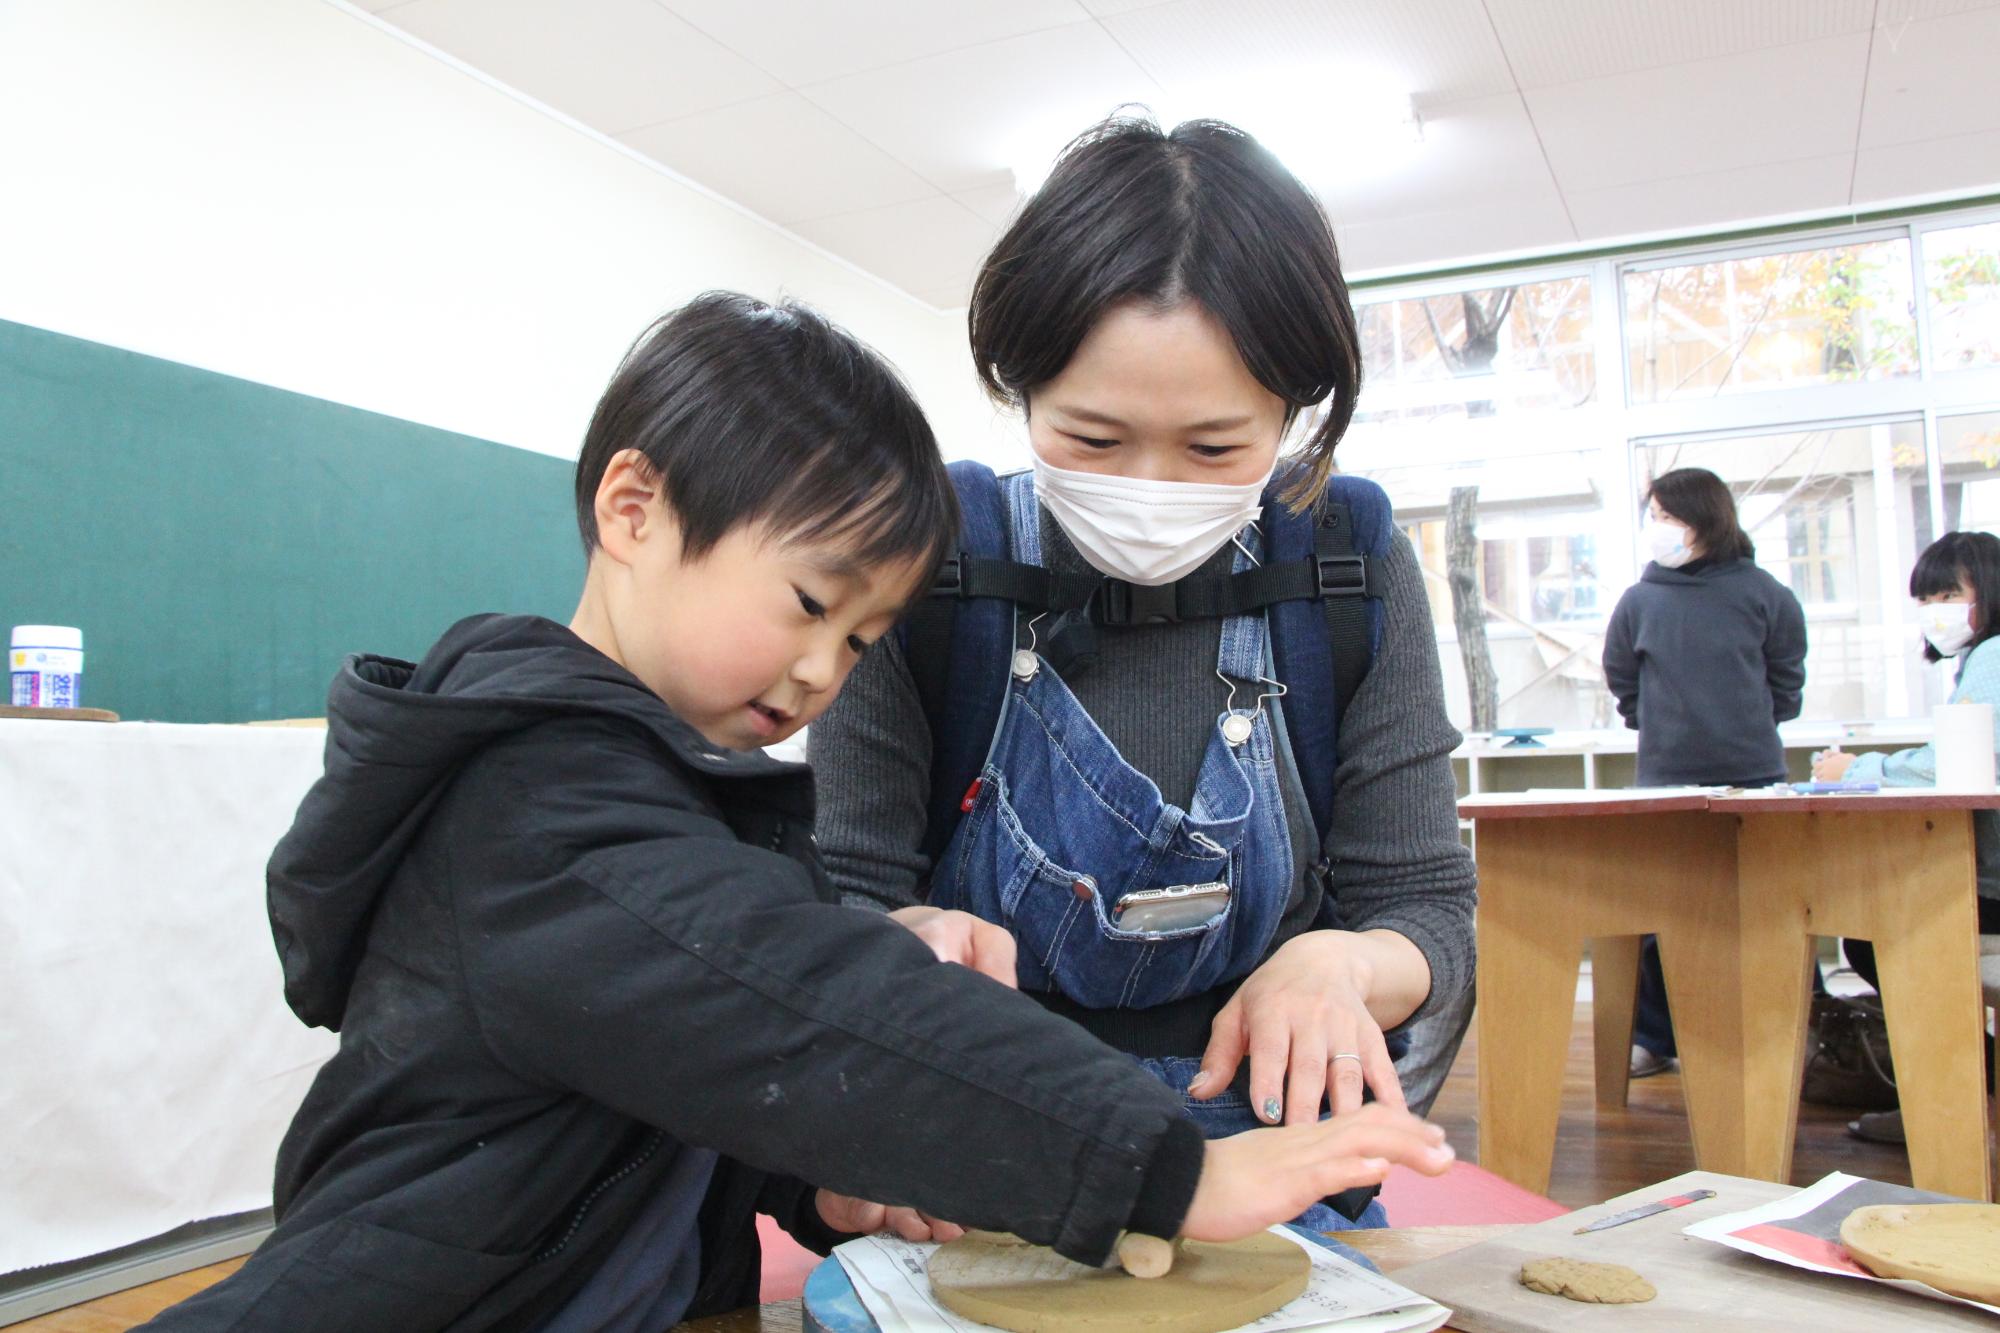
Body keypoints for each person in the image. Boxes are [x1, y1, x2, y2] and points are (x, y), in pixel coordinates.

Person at [139, 294, 1454, 1332]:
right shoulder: (545, 808)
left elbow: (664, 1076)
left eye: (867, 634)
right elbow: (800, 999)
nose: (828, 671)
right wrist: (1176, 1174)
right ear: (634, 508)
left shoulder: (661, 785)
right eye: (812, 608)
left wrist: (806, 1180)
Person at [808, 116, 1477, 1234]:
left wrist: (1344, 964)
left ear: (1292, 412)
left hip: (1274, 1165)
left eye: (1214, 449)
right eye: (1092, 438)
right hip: (980, 1156)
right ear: (1018, 392)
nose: (1150, 486)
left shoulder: (1343, 562)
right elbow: (839, 890)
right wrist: (902, 943)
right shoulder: (933, 558)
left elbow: (1426, 910)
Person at [1602, 467, 1808, 1079]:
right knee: (1659, 914)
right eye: (1654, 516)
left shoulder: (1765, 593)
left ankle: (1795, 1028)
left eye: (1669, 516)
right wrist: (1664, 726)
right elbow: (1624, 683)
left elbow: (1786, 682)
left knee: (1776, 908)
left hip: (1757, 778)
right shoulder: (1640, 601)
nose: (1657, 528)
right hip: (1667, 781)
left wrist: (1740, 724)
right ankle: (1655, 1038)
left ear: (1707, 520)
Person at [1814, 529, 2000, 1144]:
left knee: (1875, 938)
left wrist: (1855, 770)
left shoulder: (1994, 657)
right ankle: (1957, 1091)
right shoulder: (1980, 660)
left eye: (1948, 593)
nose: (1935, 611)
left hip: (1993, 884)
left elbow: (1952, 758)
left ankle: (1952, 1097)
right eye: (1926, 598)